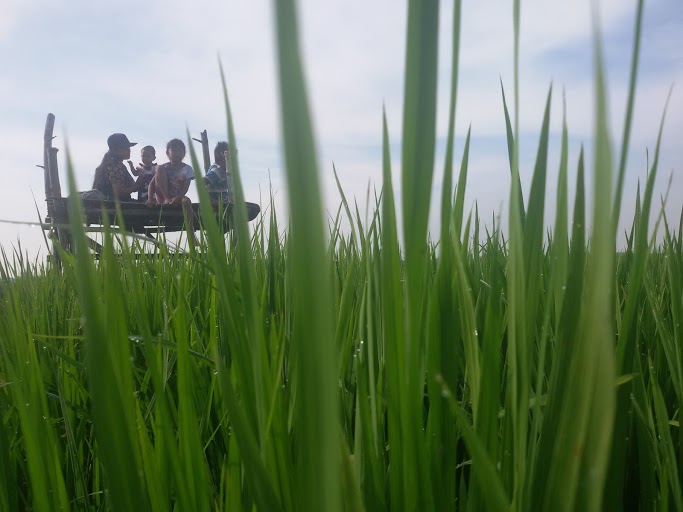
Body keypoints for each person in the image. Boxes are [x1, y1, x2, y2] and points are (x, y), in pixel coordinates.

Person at [91, 133, 144, 201]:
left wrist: (140, 176)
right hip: (114, 205)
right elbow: (118, 191)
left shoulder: (109, 164)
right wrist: (141, 175)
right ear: (115, 150)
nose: (129, 150)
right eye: (125, 148)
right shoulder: (115, 166)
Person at [204, 141, 234, 207]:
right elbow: (202, 182)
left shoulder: (224, 171)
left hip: (223, 201)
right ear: (223, 155)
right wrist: (210, 200)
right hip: (215, 204)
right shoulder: (218, 170)